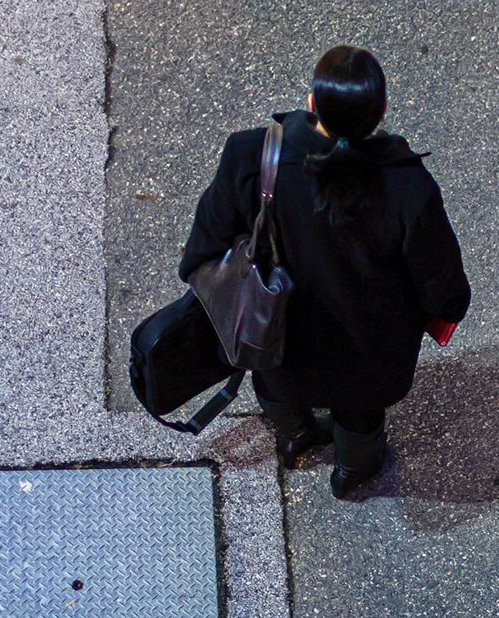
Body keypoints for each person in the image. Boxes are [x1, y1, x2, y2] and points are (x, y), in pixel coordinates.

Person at [180, 44, 470, 497]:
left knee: (276, 383)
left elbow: (206, 244)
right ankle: (353, 470)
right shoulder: (408, 186)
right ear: (381, 112)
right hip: (370, 350)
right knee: (360, 409)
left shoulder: (251, 155)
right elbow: (445, 293)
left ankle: (295, 435)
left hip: (274, 331)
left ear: (312, 102)